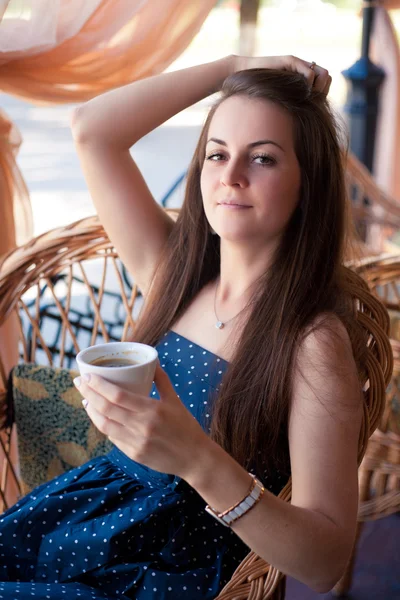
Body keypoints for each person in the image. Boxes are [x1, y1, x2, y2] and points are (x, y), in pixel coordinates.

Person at [0, 54, 366, 600]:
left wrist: (197, 459)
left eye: (262, 158)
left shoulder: (312, 343)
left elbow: (326, 560)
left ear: (307, 184)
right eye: (217, 154)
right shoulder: (176, 273)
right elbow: (94, 130)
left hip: (160, 569)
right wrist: (237, 67)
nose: (231, 176)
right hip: (78, 522)